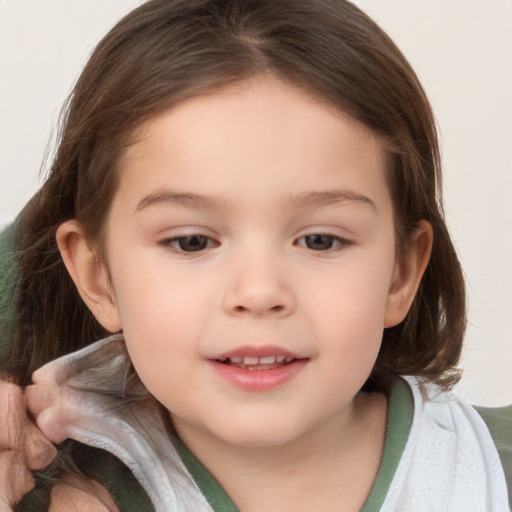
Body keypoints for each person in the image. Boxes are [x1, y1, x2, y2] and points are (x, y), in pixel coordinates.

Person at [0, 0, 510, 510]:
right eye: (191, 241)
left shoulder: (489, 467)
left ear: (401, 272)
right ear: (97, 276)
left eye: (320, 240)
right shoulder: (38, 490)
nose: (260, 292)